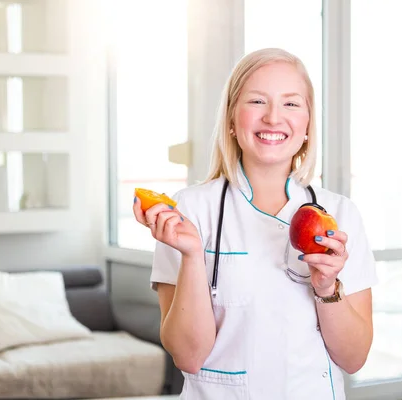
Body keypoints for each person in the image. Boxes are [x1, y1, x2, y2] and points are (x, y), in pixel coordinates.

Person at [133, 47, 378, 400]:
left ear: (308, 124)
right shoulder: (190, 211)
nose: (274, 118)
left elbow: (354, 358)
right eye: (257, 102)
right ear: (232, 120)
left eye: (291, 104)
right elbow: (188, 356)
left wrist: (327, 287)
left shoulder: (340, 215)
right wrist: (190, 256)